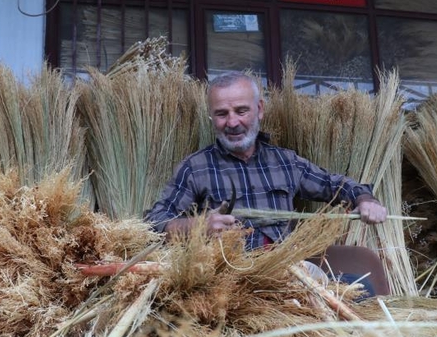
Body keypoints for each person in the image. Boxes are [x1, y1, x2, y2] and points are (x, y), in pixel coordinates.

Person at [145, 71, 388, 249]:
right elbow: (154, 222)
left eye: (241, 111)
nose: (232, 122)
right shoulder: (195, 168)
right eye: (221, 114)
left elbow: (338, 186)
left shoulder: (286, 162)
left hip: (287, 274)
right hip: (224, 282)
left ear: (259, 109)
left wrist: (365, 200)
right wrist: (198, 227)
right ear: (211, 117)